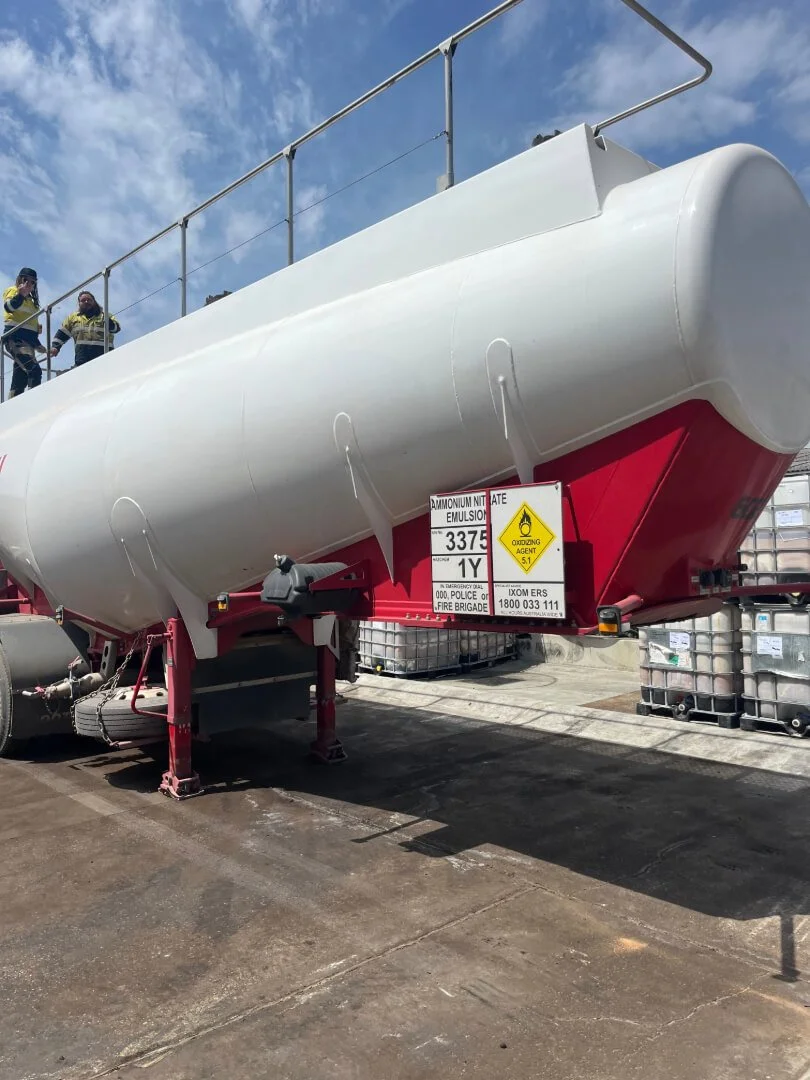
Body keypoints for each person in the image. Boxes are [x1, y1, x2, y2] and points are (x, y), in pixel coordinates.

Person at [2, 267, 47, 398]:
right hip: (15, 339)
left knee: (19, 378)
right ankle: (34, 403)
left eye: (33, 282)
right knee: (34, 370)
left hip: (29, 344)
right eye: (26, 280)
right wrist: (20, 294)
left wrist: (38, 345)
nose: (29, 284)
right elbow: (8, 307)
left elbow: (31, 328)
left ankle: (12, 407)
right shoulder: (13, 291)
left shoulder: (33, 303)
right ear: (20, 279)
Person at [49, 291, 121, 368]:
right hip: (82, 361)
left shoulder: (105, 315)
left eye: (89, 300)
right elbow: (62, 333)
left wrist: (110, 323)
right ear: (79, 303)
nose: (86, 302)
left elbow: (116, 329)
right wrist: (55, 347)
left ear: (94, 302)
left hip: (105, 359)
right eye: (83, 300)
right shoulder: (72, 318)